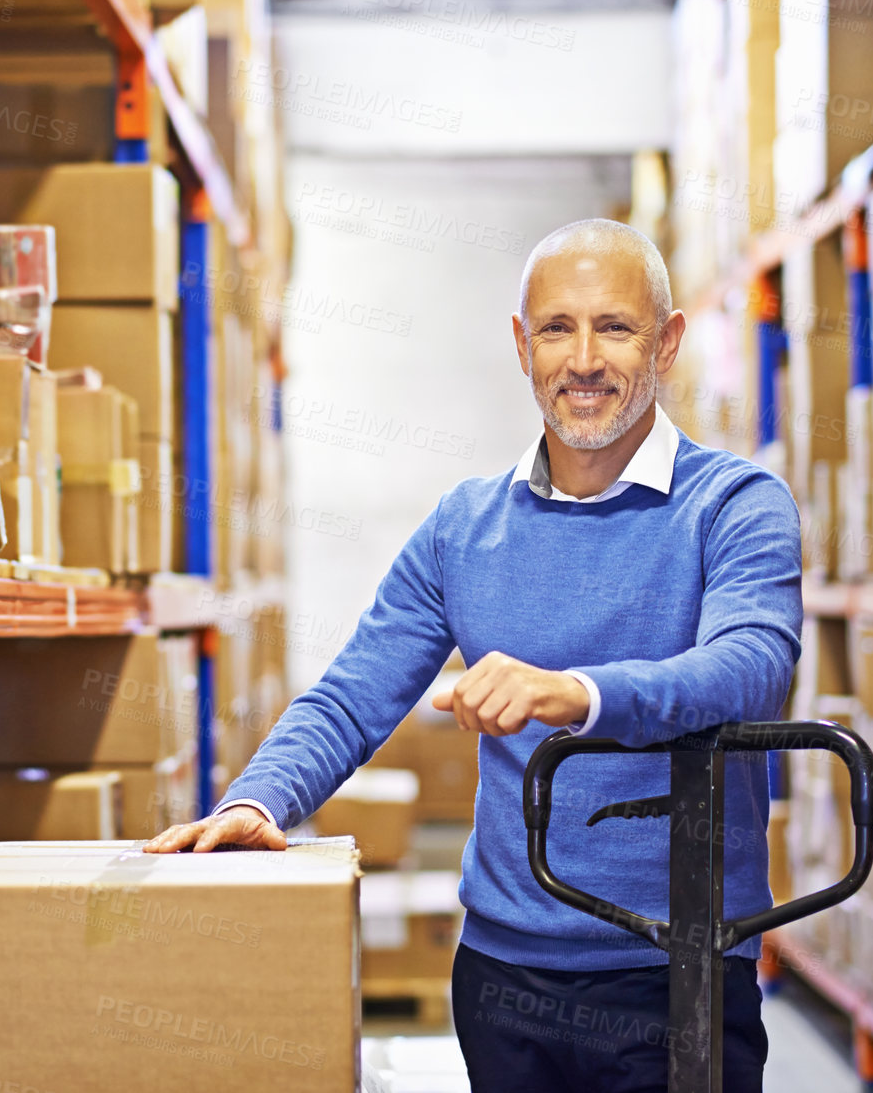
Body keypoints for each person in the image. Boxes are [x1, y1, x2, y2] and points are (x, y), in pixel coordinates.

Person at [145, 218, 802, 1093]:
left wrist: (576, 693)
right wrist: (261, 796)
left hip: (673, 965)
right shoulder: (466, 526)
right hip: (503, 971)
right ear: (521, 346)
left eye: (615, 326)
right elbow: (353, 692)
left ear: (668, 341)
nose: (583, 359)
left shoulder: (734, 504)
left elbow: (749, 662)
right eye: (557, 328)